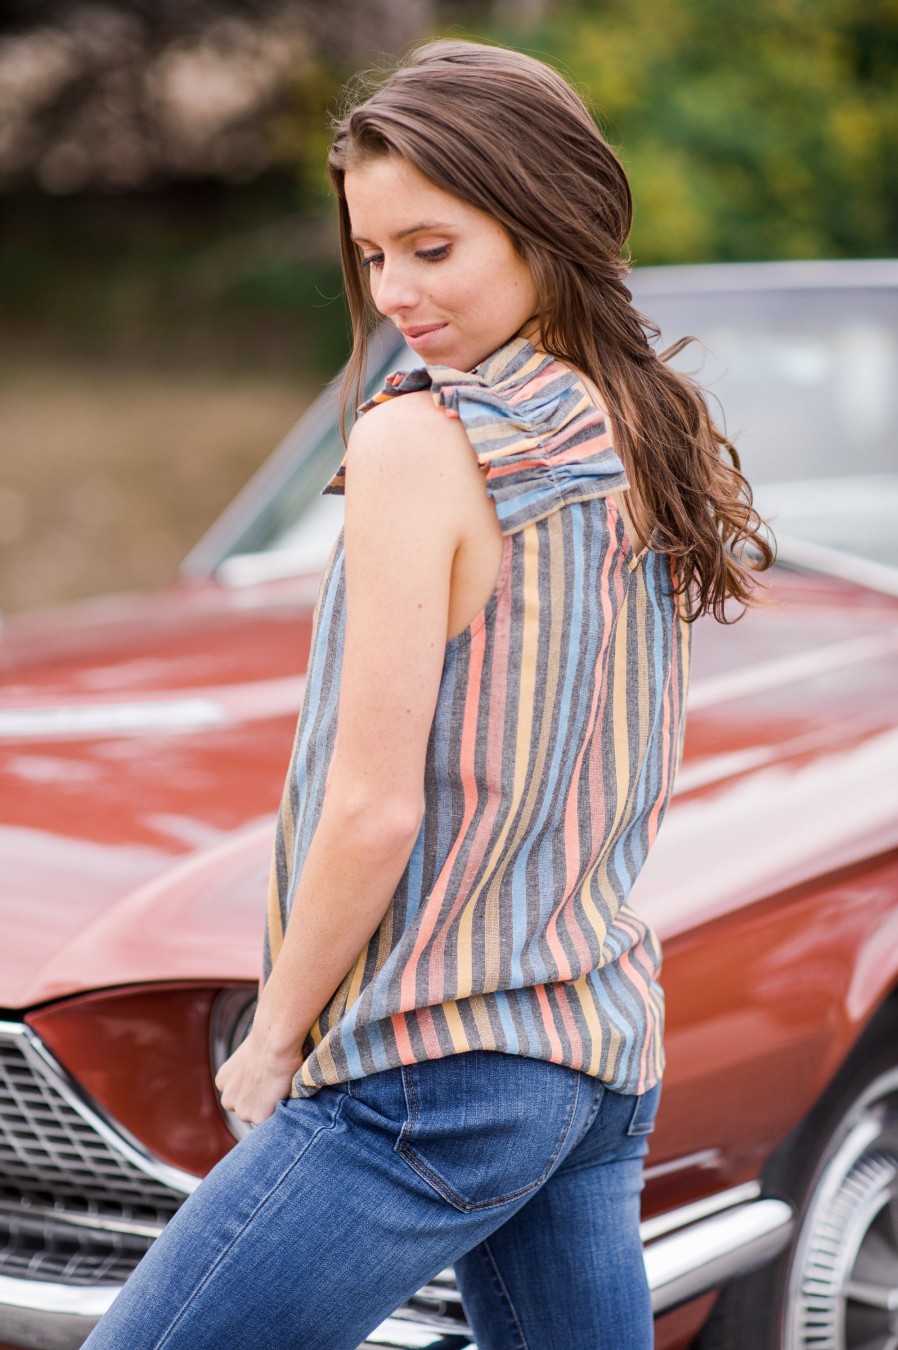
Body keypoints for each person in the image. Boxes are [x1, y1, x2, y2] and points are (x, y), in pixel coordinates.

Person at [81, 38, 773, 1350]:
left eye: (431, 247)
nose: (394, 288)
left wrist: (274, 1033)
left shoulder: (420, 440)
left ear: (543, 217)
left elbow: (370, 809)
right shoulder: (644, 419)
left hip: (432, 1060)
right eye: (372, 254)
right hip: (590, 1037)